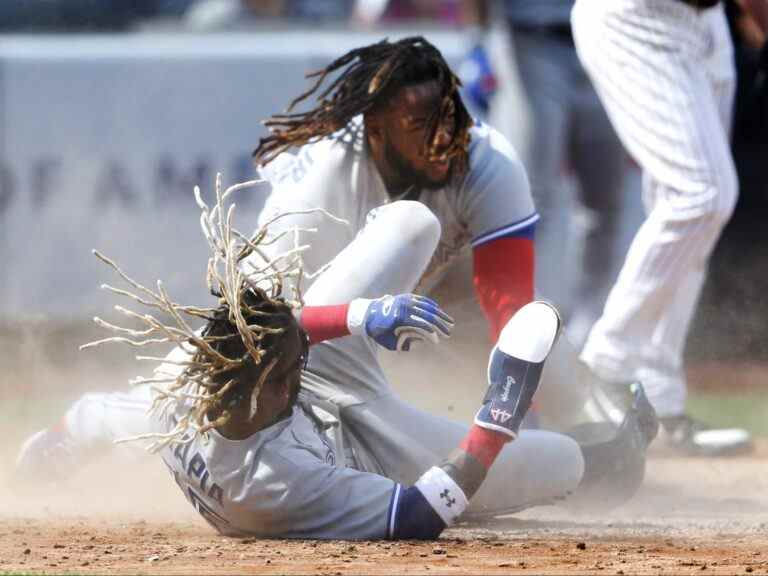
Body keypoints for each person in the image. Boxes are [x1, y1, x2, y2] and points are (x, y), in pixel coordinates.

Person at [17, 37, 655, 508]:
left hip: (386, 352)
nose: (442, 140)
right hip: (300, 341)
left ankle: (588, 437)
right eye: (416, 125)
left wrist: (532, 414)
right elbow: (248, 324)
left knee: (558, 436)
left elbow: (509, 305)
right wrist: (357, 315)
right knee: (188, 404)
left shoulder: (489, 163)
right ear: (374, 127)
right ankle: (91, 421)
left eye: (447, 119)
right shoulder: (323, 173)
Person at [18, 177, 584, 538]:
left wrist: (361, 316)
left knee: (413, 224)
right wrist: (497, 418)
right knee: (566, 461)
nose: (305, 352)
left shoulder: (186, 385)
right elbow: (420, 514)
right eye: (295, 363)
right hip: (366, 456)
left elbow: (90, 418)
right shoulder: (278, 485)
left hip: (293, 408)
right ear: (271, 388)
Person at [570, 0, 756, 455]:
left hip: (707, 21)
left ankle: (658, 398)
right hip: (637, 16)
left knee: (693, 211)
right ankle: (607, 363)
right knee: (701, 194)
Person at [461, 0, 629, 347]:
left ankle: (590, 335)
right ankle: (521, 330)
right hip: (531, 39)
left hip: (611, 40)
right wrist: (478, 35)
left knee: (606, 199)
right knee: (529, 196)